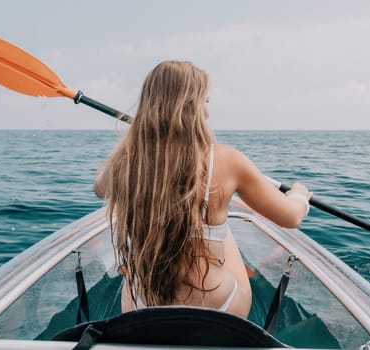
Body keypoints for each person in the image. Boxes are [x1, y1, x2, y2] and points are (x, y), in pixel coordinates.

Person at [94, 60, 312, 318]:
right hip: (217, 306)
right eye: (204, 102)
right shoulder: (227, 160)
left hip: (145, 305)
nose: (207, 113)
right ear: (189, 107)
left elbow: (101, 189)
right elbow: (291, 217)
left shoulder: (127, 161)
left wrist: (140, 139)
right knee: (221, 227)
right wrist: (299, 195)